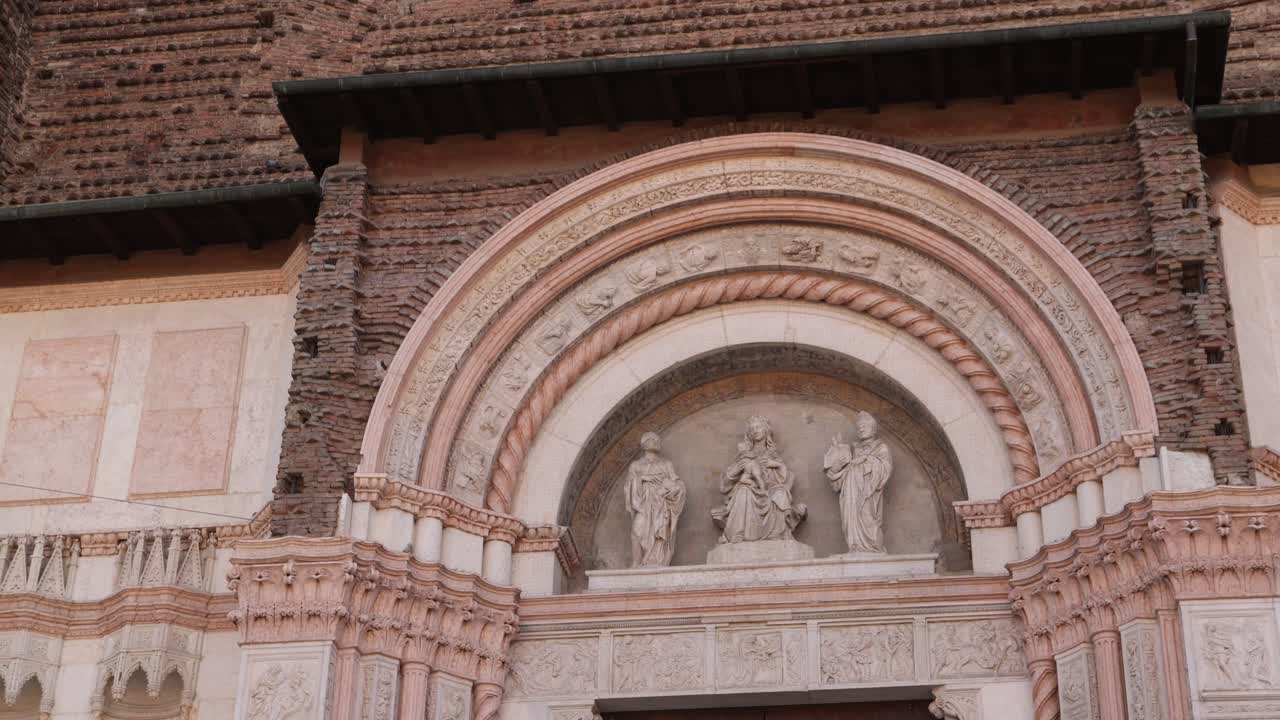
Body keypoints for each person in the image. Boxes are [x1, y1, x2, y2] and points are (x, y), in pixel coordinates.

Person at [712, 415, 806, 543]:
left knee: (780, 493)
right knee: (743, 491)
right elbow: (724, 486)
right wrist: (735, 471)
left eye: (758, 427)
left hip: (770, 490)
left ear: (766, 430)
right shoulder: (744, 454)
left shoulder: (772, 454)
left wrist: (775, 464)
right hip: (750, 489)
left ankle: (779, 534)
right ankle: (737, 534)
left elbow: (785, 477)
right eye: (752, 429)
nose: (755, 431)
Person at [824, 411, 893, 554]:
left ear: (873, 429)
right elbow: (838, 475)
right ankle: (855, 547)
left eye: (864, 426)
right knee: (850, 519)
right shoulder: (854, 450)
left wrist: (866, 460)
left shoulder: (881, 448)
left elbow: (885, 469)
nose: (860, 429)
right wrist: (838, 456)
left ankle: (873, 548)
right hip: (850, 494)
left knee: (868, 518)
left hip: (868, 493)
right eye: (859, 427)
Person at [623, 432, 685, 566]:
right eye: (650, 439)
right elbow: (628, 485)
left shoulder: (666, 464)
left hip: (661, 504)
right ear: (643, 443)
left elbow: (676, 481)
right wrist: (643, 478)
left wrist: (677, 488)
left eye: (656, 439)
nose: (654, 441)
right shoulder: (636, 465)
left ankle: (656, 562)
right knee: (636, 531)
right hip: (643, 504)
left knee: (659, 533)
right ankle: (637, 562)